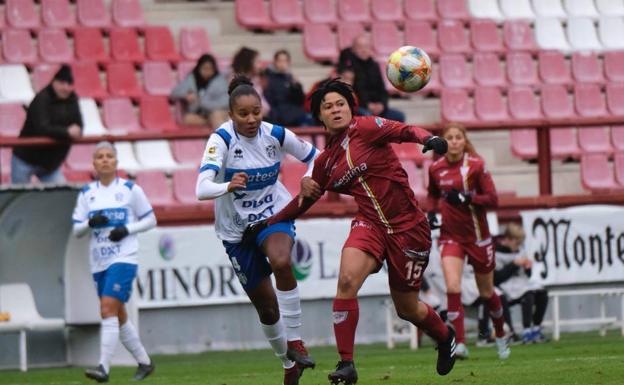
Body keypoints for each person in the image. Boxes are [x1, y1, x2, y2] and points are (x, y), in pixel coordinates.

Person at [243, 79, 456, 385]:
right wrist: (267, 223)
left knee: (407, 308)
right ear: (319, 116)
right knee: (346, 281)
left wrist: (430, 138)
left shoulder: (367, 128)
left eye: (339, 103)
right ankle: (347, 364)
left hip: (408, 227)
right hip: (369, 224)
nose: (335, 109)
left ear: (350, 107)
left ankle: (444, 335)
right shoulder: (325, 163)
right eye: (327, 106)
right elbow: (303, 202)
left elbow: (405, 131)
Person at [195, 76, 319, 385]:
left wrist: (309, 176)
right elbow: (201, 188)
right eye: (243, 114)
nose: (251, 119)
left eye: (256, 112)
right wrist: (227, 184)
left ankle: (296, 341)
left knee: (281, 261)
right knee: (266, 309)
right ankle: (288, 364)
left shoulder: (275, 135)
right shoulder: (220, 140)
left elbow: (315, 156)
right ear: (231, 114)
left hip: (272, 215)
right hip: (236, 232)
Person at [72, 142, 157, 382]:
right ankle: (145, 362)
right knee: (118, 315)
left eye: (110, 156)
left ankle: (103, 367)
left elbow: (151, 220)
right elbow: (77, 230)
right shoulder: (87, 193)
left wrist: (126, 229)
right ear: (94, 163)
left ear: (116, 162)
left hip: (123, 258)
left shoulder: (131, 189)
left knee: (107, 308)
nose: (105, 160)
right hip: (98, 260)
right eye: (100, 156)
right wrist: (90, 223)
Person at [427, 123, 510, 360]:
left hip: (478, 237)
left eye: (457, 137)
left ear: (464, 141)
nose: (453, 141)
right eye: (449, 138)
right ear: (444, 142)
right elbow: (432, 194)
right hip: (450, 236)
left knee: (487, 292)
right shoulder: (436, 168)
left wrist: (468, 197)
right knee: (453, 287)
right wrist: (432, 212)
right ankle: (460, 343)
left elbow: (493, 199)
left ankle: (501, 334)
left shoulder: (476, 166)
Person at [12, 64, 82, 184]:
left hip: (50, 165)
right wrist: (67, 132)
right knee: (18, 198)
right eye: (62, 83)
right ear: (54, 82)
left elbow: (79, 125)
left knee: (60, 194)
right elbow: (42, 128)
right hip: (25, 159)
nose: (65, 87)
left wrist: (76, 131)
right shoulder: (41, 99)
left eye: (69, 84)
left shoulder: (72, 100)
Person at [494, 223, 549, 344]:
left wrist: (527, 268)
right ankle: (526, 331)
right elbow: (496, 279)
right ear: (507, 239)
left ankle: (536, 328)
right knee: (528, 295)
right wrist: (514, 264)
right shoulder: (496, 253)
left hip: (520, 284)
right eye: (516, 243)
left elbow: (527, 276)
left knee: (542, 293)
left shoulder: (520, 251)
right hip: (505, 288)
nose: (518, 246)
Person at [337, 34, 405, 122]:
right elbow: (355, 91)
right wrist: (367, 105)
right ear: (353, 50)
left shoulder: (374, 66)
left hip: (378, 107)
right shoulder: (348, 67)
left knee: (399, 116)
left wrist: (382, 105)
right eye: (360, 47)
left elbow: (382, 89)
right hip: (360, 107)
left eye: (366, 47)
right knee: (369, 118)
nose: (364, 50)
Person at [170, 54, 229, 128]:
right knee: (187, 118)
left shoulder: (220, 81)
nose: (207, 72)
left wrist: (202, 103)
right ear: (199, 68)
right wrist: (185, 95)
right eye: (204, 69)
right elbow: (174, 93)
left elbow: (226, 101)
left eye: (210, 69)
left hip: (215, 112)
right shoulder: (192, 79)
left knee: (216, 115)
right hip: (200, 116)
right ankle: (209, 123)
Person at [264, 50, 309, 127]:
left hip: (294, 115)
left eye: (285, 61)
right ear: (275, 62)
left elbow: (300, 100)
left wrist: (296, 86)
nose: (282, 63)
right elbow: (270, 101)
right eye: (280, 60)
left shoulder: (291, 79)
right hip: (279, 118)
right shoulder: (268, 79)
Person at [231, 46, 270, 117]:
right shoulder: (235, 82)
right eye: (257, 62)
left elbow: (265, 107)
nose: (260, 66)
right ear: (248, 63)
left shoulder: (256, 79)